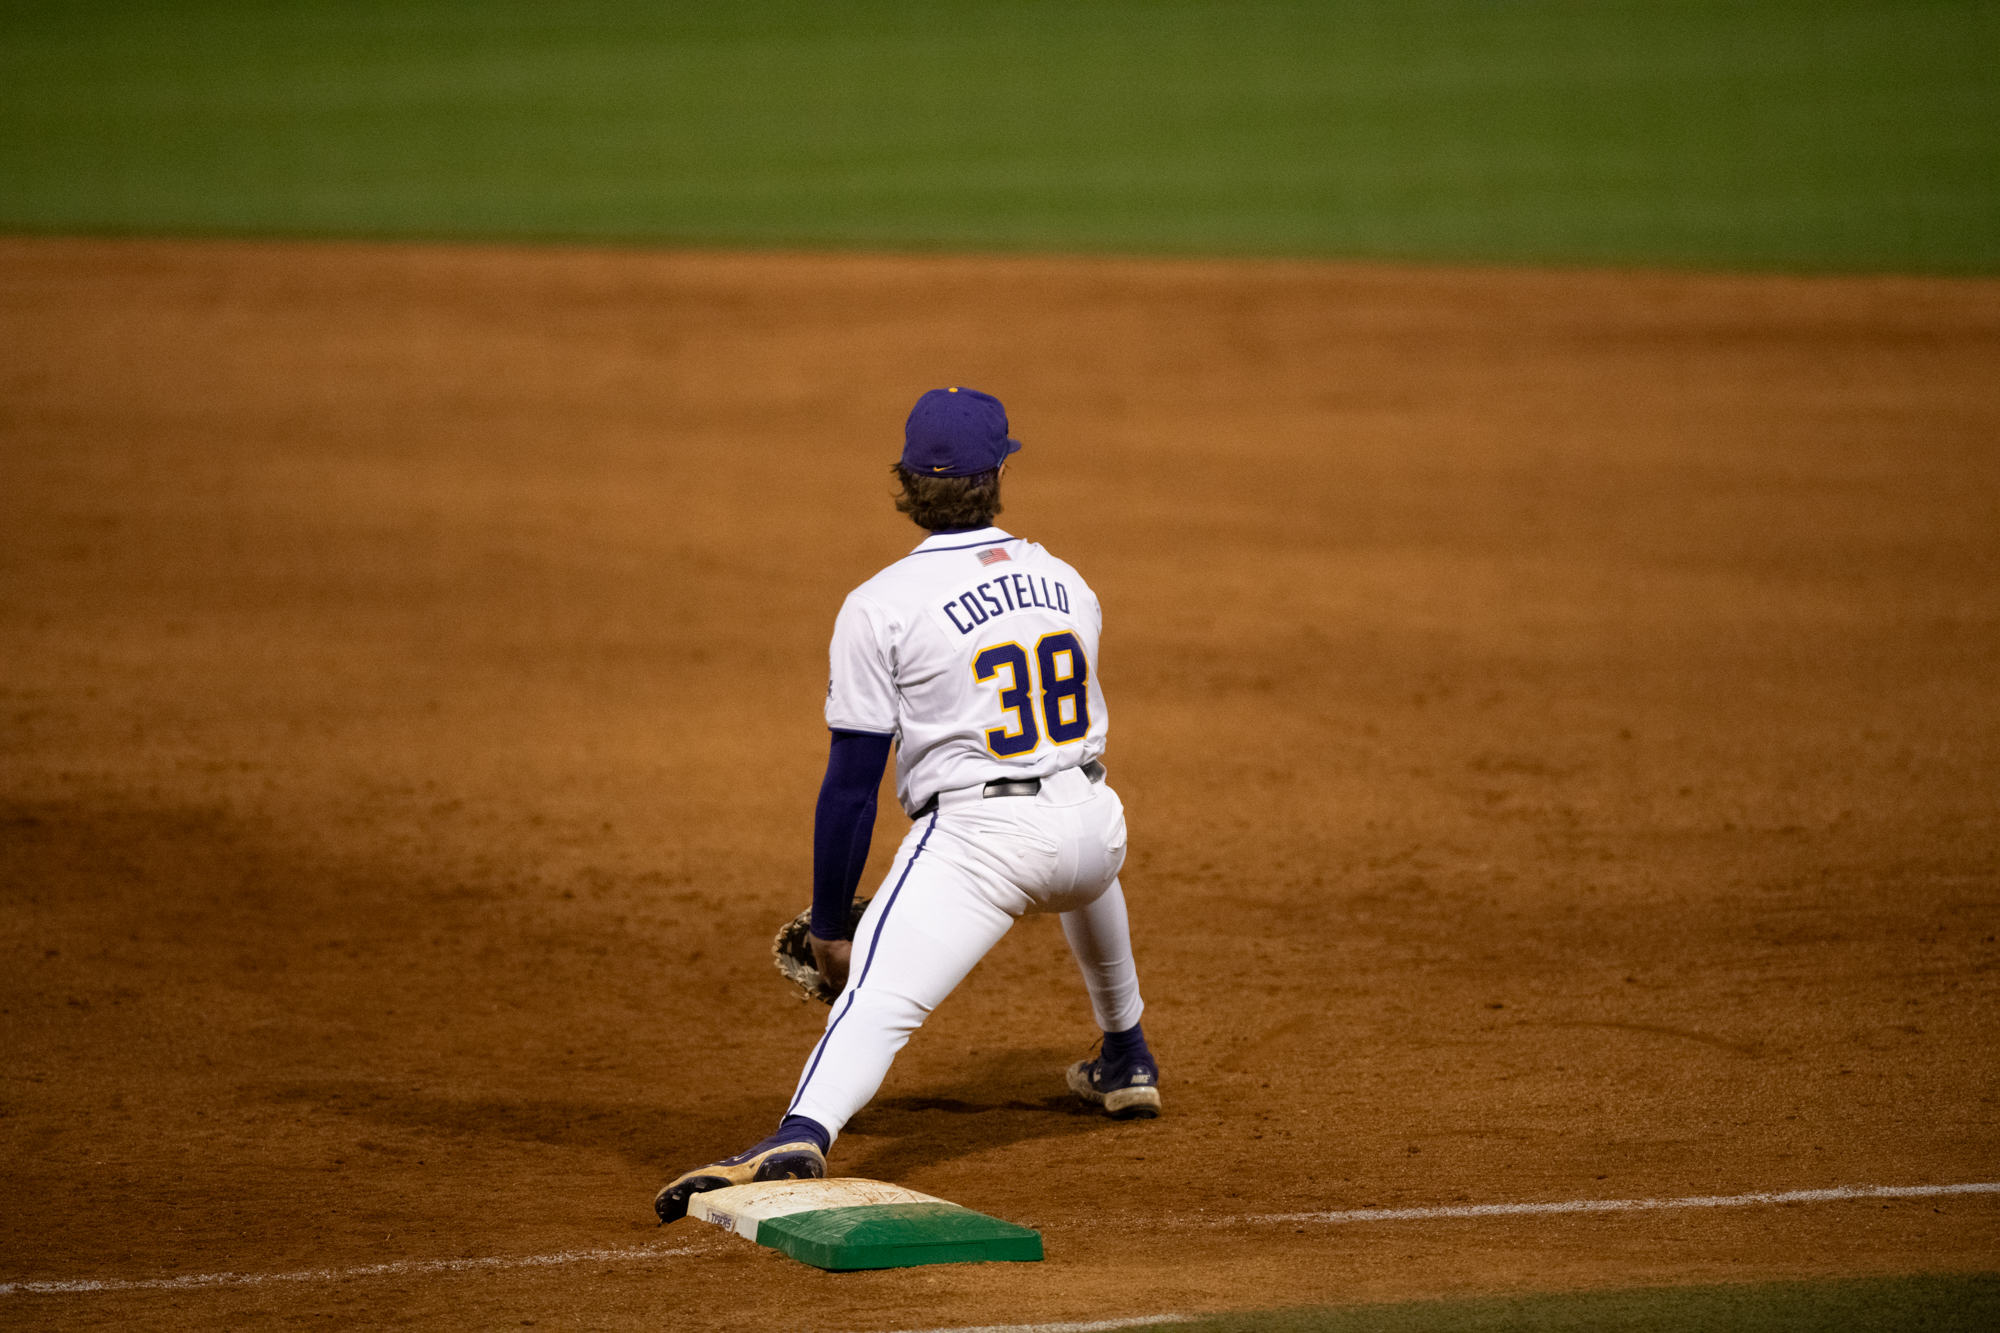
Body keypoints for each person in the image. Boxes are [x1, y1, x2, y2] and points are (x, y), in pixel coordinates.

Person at [654, 387, 1159, 1223]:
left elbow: (852, 784)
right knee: (1075, 829)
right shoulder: (1067, 580)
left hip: (986, 846)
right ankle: (1128, 1054)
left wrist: (829, 921)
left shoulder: (879, 603)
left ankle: (800, 1129)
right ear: (998, 473)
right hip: (1095, 831)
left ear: (907, 482)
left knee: (879, 998)